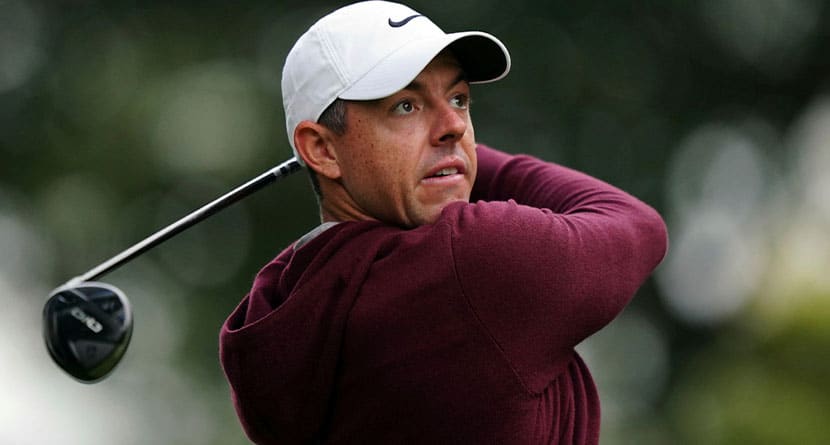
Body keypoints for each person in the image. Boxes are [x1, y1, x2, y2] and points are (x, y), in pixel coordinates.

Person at [219, 1, 668, 444]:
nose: (454, 125)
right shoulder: (472, 263)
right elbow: (636, 225)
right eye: (406, 106)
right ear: (321, 149)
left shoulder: (282, 306)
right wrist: (456, 161)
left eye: (459, 99)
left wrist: (439, 160)